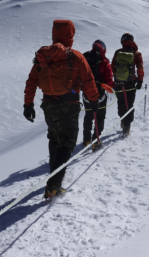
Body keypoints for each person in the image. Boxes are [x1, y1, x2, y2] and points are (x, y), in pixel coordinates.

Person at [23, 19, 99, 199]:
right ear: (70, 35)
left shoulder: (42, 57)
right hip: (69, 104)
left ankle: (53, 180)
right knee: (67, 142)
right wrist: (94, 100)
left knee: (54, 138)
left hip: (48, 103)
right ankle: (54, 185)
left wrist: (28, 104)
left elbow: (32, 81)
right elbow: (88, 80)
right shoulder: (75, 56)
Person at [82, 40, 114, 149]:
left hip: (86, 95)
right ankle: (96, 142)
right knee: (99, 117)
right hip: (100, 95)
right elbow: (109, 82)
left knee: (88, 116)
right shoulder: (104, 61)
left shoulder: (85, 58)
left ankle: (86, 140)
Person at [111, 33, 144, 137]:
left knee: (121, 102)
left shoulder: (118, 52)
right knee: (129, 104)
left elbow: (112, 67)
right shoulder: (136, 53)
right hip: (131, 83)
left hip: (118, 82)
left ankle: (122, 120)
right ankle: (127, 126)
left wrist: (115, 79)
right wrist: (140, 81)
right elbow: (140, 68)